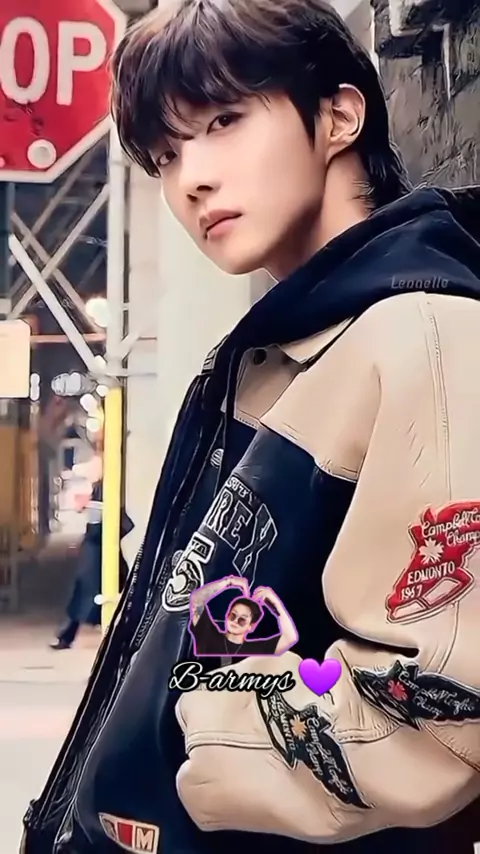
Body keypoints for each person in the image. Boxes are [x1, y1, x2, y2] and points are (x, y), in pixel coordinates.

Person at [21, 1, 480, 853]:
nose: (189, 180)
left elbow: (440, 716)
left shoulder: (422, 331)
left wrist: (182, 731)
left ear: (339, 117)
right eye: (167, 154)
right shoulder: (281, 352)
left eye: (224, 122)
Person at [50, 480, 133, 650]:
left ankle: (68, 636)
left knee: (89, 594)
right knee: (105, 594)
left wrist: (88, 506)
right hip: (100, 552)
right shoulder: (104, 487)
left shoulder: (103, 488)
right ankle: (68, 636)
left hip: (97, 552)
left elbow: (96, 526)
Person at [189, 575, 298, 655]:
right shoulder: (208, 634)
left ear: (251, 626)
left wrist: (275, 602)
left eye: (242, 619)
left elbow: (290, 637)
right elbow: (197, 600)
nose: (235, 621)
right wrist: (228, 582)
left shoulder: (258, 650)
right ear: (227, 616)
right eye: (233, 615)